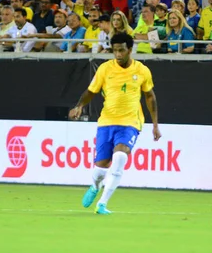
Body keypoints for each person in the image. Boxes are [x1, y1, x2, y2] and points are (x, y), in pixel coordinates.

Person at [68, 32, 161, 215]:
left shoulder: (142, 70)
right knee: (100, 169)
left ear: (130, 49)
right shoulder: (104, 69)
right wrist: (79, 105)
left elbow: (150, 97)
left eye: (121, 51)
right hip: (106, 122)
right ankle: (95, 186)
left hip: (130, 123)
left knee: (119, 158)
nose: (118, 55)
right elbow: (91, 91)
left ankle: (102, 203)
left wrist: (155, 124)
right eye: (115, 51)